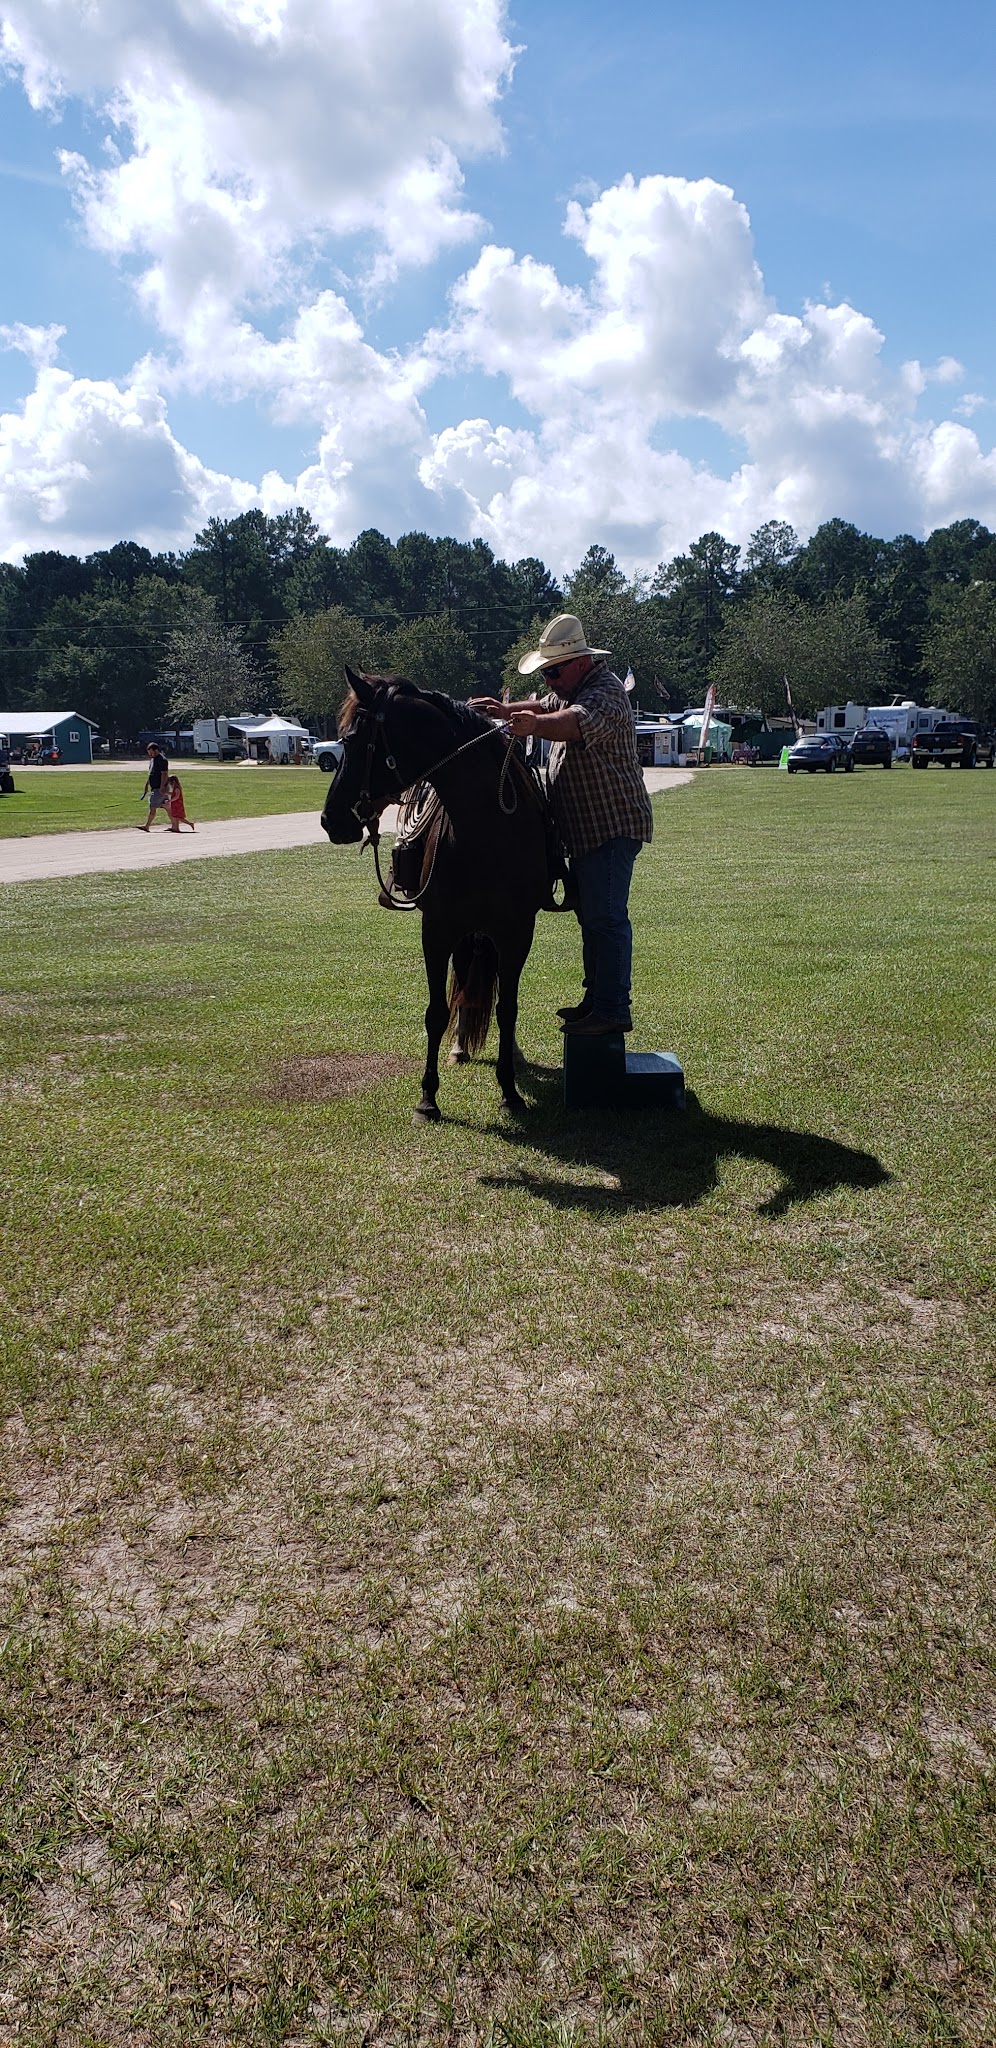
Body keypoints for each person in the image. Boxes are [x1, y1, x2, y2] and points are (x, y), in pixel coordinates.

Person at [473, 614, 653, 1035]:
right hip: (588, 833)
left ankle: (611, 1009)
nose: (549, 680)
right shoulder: (576, 688)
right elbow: (545, 706)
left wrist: (534, 726)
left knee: (606, 919)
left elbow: (572, 722)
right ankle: (597, 1001)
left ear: (577, 662)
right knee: (593, 919)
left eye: (552, 671)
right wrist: (508, 709)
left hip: (610, 829)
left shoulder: (605, 694)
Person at [140, 743, 170, 830]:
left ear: (156, 750)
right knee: (167, 806)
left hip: (159, 788)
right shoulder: (153, 760)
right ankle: (175, 826)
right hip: (155, 787)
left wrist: (162, 787)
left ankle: (147, 826)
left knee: (152, 806)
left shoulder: (162, 760)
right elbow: (151, 774)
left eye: (151, 752)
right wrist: (146, 786)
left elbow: (164, 774)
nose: (150, 754)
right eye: (149, 752)